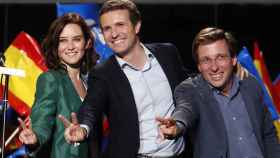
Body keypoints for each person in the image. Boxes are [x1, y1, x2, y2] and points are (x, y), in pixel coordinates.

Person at [58, 0, 190, 158]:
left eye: (120, 25)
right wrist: (83, 128)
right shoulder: (102, 73)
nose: (114, 34)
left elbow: (188, 91)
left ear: (137, 26)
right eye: (107, 28)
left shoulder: (167, 53)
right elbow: (91, 108)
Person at [157, 27, 280, 158]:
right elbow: (185, 109)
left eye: (220, 57)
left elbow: (268, 133)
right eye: (206, 60)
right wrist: (178, 125)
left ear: (233, 60)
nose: (214, 67)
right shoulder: (190, 90)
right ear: (199, 66)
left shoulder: (250, 84)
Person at [18, 13, 99, 158]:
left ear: (87, 43)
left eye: (76, 39)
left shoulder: (90, 82)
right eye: (63, 40)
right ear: (56, 46)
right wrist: (35, 137)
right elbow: (43, 119)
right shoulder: (50, 79)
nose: (70, 46)